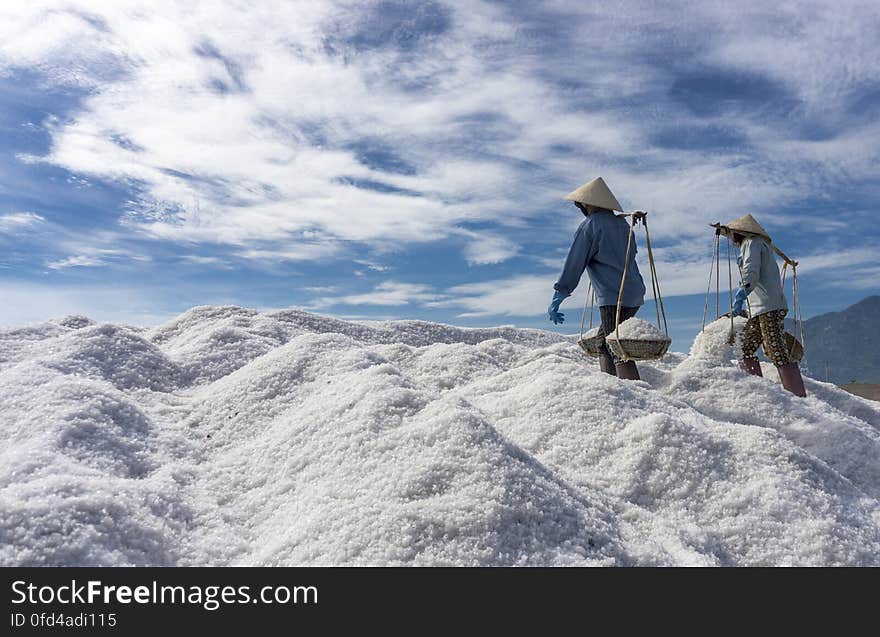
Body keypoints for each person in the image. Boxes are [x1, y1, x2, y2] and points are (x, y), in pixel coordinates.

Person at [548, 177, 646, 380]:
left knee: (616, 346)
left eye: (581, 203)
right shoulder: (623, 225)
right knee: (604, 342)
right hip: (634, 292)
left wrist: (560, 293)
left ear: (589, 203)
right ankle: (610, 387)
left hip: (613, 295)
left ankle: (634, 396)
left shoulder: (590, 226)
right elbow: (630, 254)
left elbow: (574, 262)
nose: (580, 206)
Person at [725, 213, 807, 397]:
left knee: (776, 349)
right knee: (744, 348)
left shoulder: (752, 243)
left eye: (732, 235)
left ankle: (798, 398)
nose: (731, 239)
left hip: (768, 307)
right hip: (759, 308)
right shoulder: (758, 244)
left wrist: (740, 295)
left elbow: (750, 273)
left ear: (740, 233)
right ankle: (758, 393)